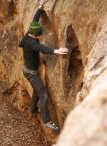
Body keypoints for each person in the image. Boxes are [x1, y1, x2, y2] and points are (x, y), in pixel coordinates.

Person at [19, 0, 68, 131]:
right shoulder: (31, 43)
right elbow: (41, 47)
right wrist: (56, 51)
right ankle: (47, 121)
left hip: (28, 70)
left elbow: (34, 21)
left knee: (37, 90)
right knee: (44, 94)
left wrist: (40, 8)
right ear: (34, 35)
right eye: (38, 36)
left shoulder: (29, 32)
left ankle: (33, 109)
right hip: (31, 73)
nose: (38, 37)